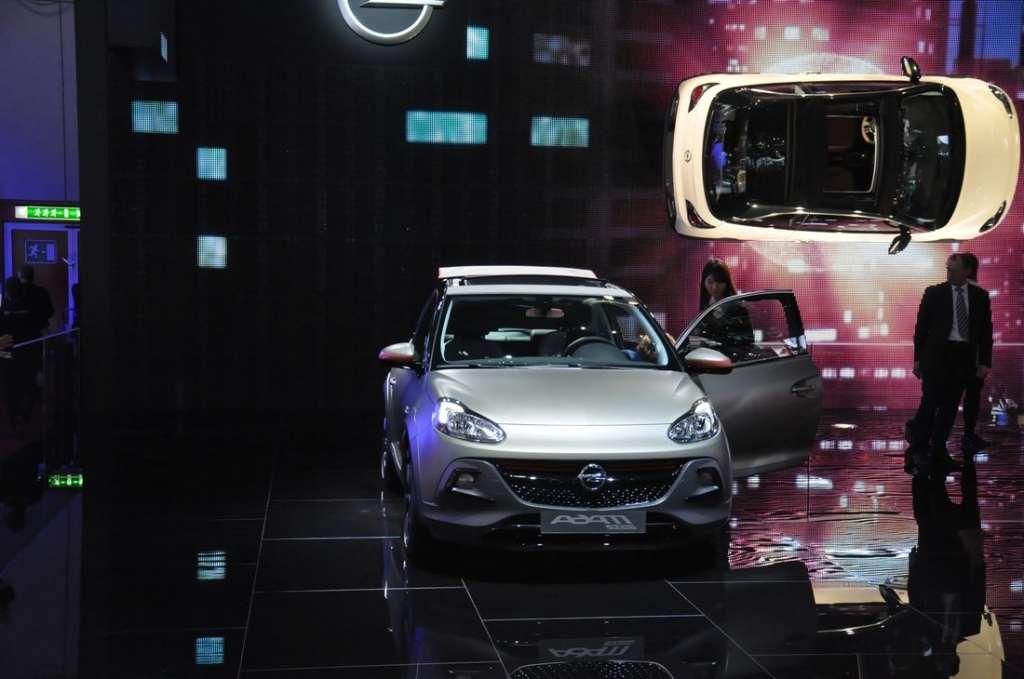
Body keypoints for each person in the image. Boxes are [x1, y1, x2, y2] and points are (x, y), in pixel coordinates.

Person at [909, 254, 993, 474]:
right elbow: (921, 329)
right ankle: (919, 450)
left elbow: (986, 332)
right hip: (936, 357)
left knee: (949, 408)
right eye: (948, 269)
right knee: (930, 403)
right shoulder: (934, 293)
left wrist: (984, 362)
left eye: (954, 270)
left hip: (963, 358)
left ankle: (939, 451)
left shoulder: (980, 296)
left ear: (967, 271)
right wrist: (917, 359)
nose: (949, 274)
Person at [960, 254, 989, 450]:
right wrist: (984, 361)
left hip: (952, 357)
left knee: (945, 399)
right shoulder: (980, 294)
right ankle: (968, 436)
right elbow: (984, 331)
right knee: (971, 397)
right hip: (971, 357)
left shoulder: (942, 292)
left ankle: (934, 443)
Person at [18, 265, 54, 338]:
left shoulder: (15, 292)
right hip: (39, 332)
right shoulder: (42, 291)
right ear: (33, 277)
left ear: (20, 276)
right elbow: (50, 312)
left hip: (19, 332)